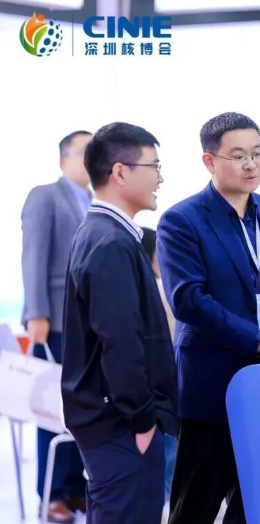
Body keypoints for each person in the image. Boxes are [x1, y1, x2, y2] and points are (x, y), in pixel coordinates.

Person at [157, 112, 260, 524]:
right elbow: (188, 300)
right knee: (196, 505)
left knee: (257, 504)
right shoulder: (182, 220)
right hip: (212, 383)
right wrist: (258, 339)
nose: (251, 164)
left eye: (258, 153)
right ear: (209, 161)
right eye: (239, 155)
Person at [61, 122, 178, 524]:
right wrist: (143, 421)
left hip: (116, 424)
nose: (160, 177)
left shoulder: (107, 233)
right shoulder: (110, 241)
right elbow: (120, 341)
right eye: (154, 166)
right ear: (120, 172)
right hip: (122, 427)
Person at [21, 130, 92, 523]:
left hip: (87, 325)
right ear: (65, 158)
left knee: (81, 408)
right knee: (51, 409)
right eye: (85, 151)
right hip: (55, 323)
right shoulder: (46, 196)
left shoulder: (95, 201)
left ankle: (75, 487)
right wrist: (37, 315)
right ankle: (51, 494)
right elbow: (33, 257)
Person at [141, 227, 177, 522]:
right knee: (169, 454)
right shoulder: (161, 290)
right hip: (167, 385)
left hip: (144, 389)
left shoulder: (136, 291)